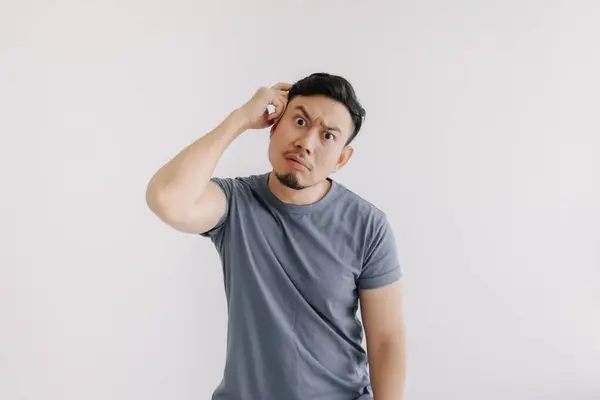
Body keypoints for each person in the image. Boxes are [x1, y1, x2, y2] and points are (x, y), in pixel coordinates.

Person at [146, 72, 406, 400]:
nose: (306, 142)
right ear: (274, 126)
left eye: (327, 136)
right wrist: (240, 119)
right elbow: (167, 199)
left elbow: (386, 340)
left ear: (342, 158)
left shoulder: (368, 225)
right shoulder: (234, 204)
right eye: (299, 121)